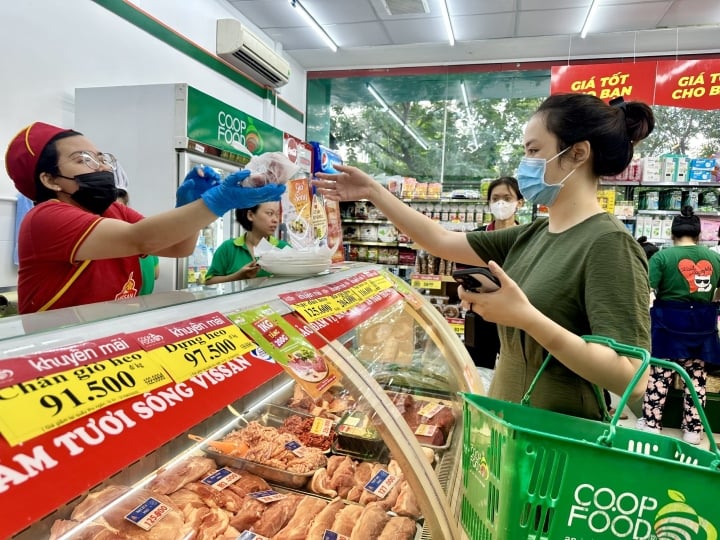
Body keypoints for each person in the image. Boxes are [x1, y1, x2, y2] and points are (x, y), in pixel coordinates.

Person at [314, 93, 655, 420]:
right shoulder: (533, 234)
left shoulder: (609, 243)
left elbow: (632, 378)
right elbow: (440, 240)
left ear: (578, 153)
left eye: (534, 150)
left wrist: (526, 317)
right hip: (507, 421)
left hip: (558, 438)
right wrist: (374, 192)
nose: (525, 165)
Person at [5, 121, 284, 313]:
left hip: (110, 345)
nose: (100, 166)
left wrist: (191, 206)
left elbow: (178, 247)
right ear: (50, 179)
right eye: (82, 160)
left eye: (100, 157)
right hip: (59, 357)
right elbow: (140, 239)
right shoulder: (45, 218)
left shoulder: (113, 210)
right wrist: (217, 201)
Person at [637, 206, 720, 445]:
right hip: (702, 325)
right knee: (696, 378)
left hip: (668, 323)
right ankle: (694, 430)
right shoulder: (714, 258)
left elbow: (647, 290)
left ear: (673, 234)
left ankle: (652, 423)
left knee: (660, 374)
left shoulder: (662, 258)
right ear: (698, 234)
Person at [461, 176, 523, 368]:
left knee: (514, 367)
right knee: (478, 366)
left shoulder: (526, 236)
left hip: (516, 314)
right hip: (481, 312)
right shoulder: (477, 236)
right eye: (495, 199)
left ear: (519, 203)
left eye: (507, 197)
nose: (501, 203)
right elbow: (463, 270)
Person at [204, 203, 288, 284]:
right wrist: (237, 277)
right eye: (270, 213)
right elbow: (209, 282)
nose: (276, 220)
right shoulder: (228, 248)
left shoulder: (284, 248)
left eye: (277, 214)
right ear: (250, 215)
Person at [115, 187, 160, 295]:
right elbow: (156, 274)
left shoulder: (112, 246)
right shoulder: (145, 237)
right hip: (146, 306)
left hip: (124, 308)